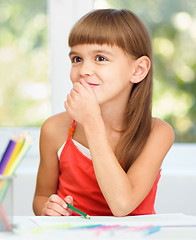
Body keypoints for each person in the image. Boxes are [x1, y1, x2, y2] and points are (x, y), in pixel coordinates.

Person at [33, 9, 174, 217]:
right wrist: (48, 208)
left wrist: (92, 123)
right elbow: (41, 198)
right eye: (77, 59)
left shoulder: (157, 133)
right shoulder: (55, 129)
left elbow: (122, 205)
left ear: (138, 70)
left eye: (100, 58)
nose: (83, 70)